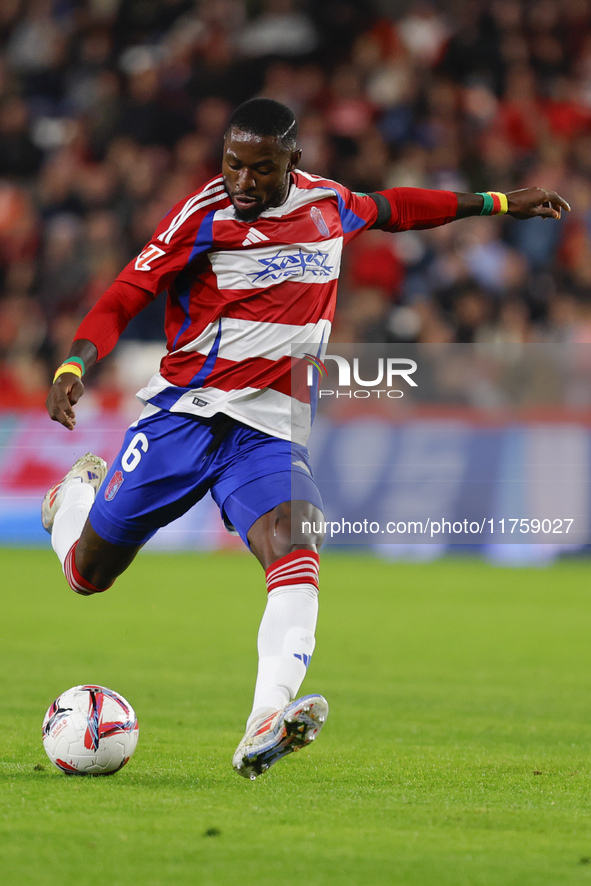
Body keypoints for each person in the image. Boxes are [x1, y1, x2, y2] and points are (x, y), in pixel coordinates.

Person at [43, 98, 570, 780]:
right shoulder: (200, 217)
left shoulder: (329, 205)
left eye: (261, 169)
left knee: (296, 550)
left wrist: (498, 201)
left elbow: (399, 207)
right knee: (89, 575)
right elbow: (124, 295)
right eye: (233, 164)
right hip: (183, 416)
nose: (242, 181)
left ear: (293, 161)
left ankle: (265, 721)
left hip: (267, 428)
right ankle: (73, 502)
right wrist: (73, 363)